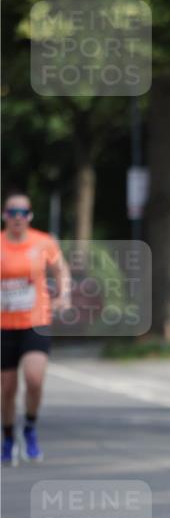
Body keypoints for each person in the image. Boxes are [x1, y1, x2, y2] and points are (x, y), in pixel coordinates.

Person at [1, 192, 70, 465]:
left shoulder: (43, 242)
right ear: (5, 216)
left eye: (22, 213)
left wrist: (64, 295)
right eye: (12, 212)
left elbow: (61, 270)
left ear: (29, 216)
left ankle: (29, 427)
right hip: (4, 325)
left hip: (35, 321)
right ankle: (8, 437)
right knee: (7, 389)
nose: (17, 218)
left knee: (34, 379)